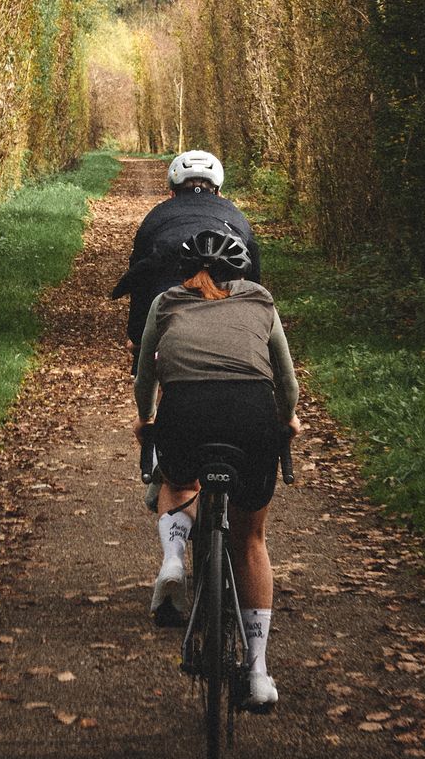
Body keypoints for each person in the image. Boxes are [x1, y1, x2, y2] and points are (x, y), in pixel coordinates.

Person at [132, 229, 301, 711]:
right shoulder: (261, 301)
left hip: (185, 411)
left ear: (185, 272)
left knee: (178, 482)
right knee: (250, 540)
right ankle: (257, 671)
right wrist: (286, 418)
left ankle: (172, 559)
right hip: (250, 414)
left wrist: (147, 421)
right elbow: (285, 382)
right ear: (242, 271)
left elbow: (146, 377)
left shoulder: (165, 303)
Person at [111, 149, 261, 373]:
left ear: (172, 193)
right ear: (219, 193)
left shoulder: (155, 216)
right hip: (227, 302)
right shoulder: (236, 215)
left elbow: (139, 280)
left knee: (156, 362)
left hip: (166, 300)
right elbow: (254, 279)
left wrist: (137, 337)